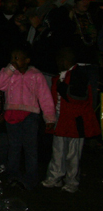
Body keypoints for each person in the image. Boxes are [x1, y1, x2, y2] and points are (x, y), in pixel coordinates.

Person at [0, 46, 55, 190]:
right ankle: (12, 176)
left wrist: (49, 118)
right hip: (12, 113)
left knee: (30, 148)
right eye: (12, 58)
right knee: (14, 146)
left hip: (30, 115)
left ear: (27, 60)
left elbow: (45, 96)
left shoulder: (36, 75)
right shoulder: (9, 74)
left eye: (17, 58)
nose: (13, 61)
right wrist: (9, 69)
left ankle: (31, 178)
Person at [41, 48, 100, 192]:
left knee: (73, 154)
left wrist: (63, 89)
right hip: (61, 120)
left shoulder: (79, 75)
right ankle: (55, 177)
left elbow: (80, 98)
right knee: (58, 151)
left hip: (75, 121)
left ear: (65, 61)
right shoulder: (61, 76)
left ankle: (72, 182)